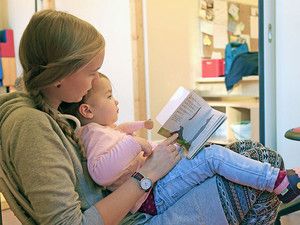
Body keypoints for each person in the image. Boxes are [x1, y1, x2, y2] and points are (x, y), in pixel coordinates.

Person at [0, 9, 288, 225]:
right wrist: (147, 175)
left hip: (136, 198)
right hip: (136, 210)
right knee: (265, 168)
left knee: (254, 154)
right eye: (90, 73)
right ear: (59, 74)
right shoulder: (31, 127)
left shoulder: (55, 109)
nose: (93, 83)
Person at [60, 72, 300, 216]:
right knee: (212, 157)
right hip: (151, 196)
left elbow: (119, 135)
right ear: (87, 110)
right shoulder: (92, 135)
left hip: (154, 187)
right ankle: (278, 181)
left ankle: (272, 176)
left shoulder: (101, 131)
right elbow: (101, 172)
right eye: (109, 96)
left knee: (207, 152)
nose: (116, 100)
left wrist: (137, 126)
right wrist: (138, 144)